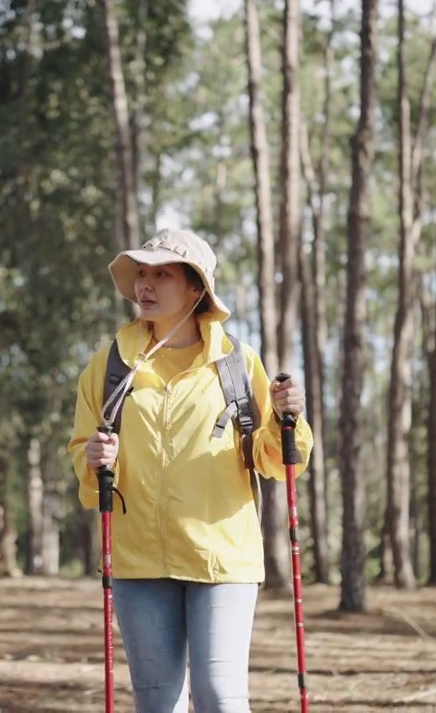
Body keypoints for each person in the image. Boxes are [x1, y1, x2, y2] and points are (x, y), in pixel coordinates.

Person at [68, 228, 313, 713]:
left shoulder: (237, 363)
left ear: (196, 288)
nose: (146, 285)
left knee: (220, 698)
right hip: (140, 560)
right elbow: (83, 453)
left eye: (162, 274)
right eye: (141, 273)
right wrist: (93, 459)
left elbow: (273, 458)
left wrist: (291, 419)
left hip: (221, 559)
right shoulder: (110, 366)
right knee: (159, 705)